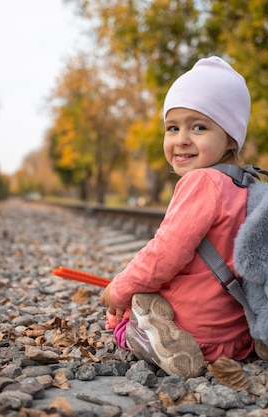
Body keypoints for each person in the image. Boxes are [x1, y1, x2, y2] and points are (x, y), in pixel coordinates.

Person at [100, 56, 256, 378]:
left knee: (123, 319)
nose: (181, 139)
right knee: (144, 298)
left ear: (230, 137)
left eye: (198, 126)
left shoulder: (200, 182)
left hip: (197, 330)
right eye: (173, 128)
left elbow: (165, 253)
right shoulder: (246, 184)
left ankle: (156, 338)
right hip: (238, 334)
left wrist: (119, 290)